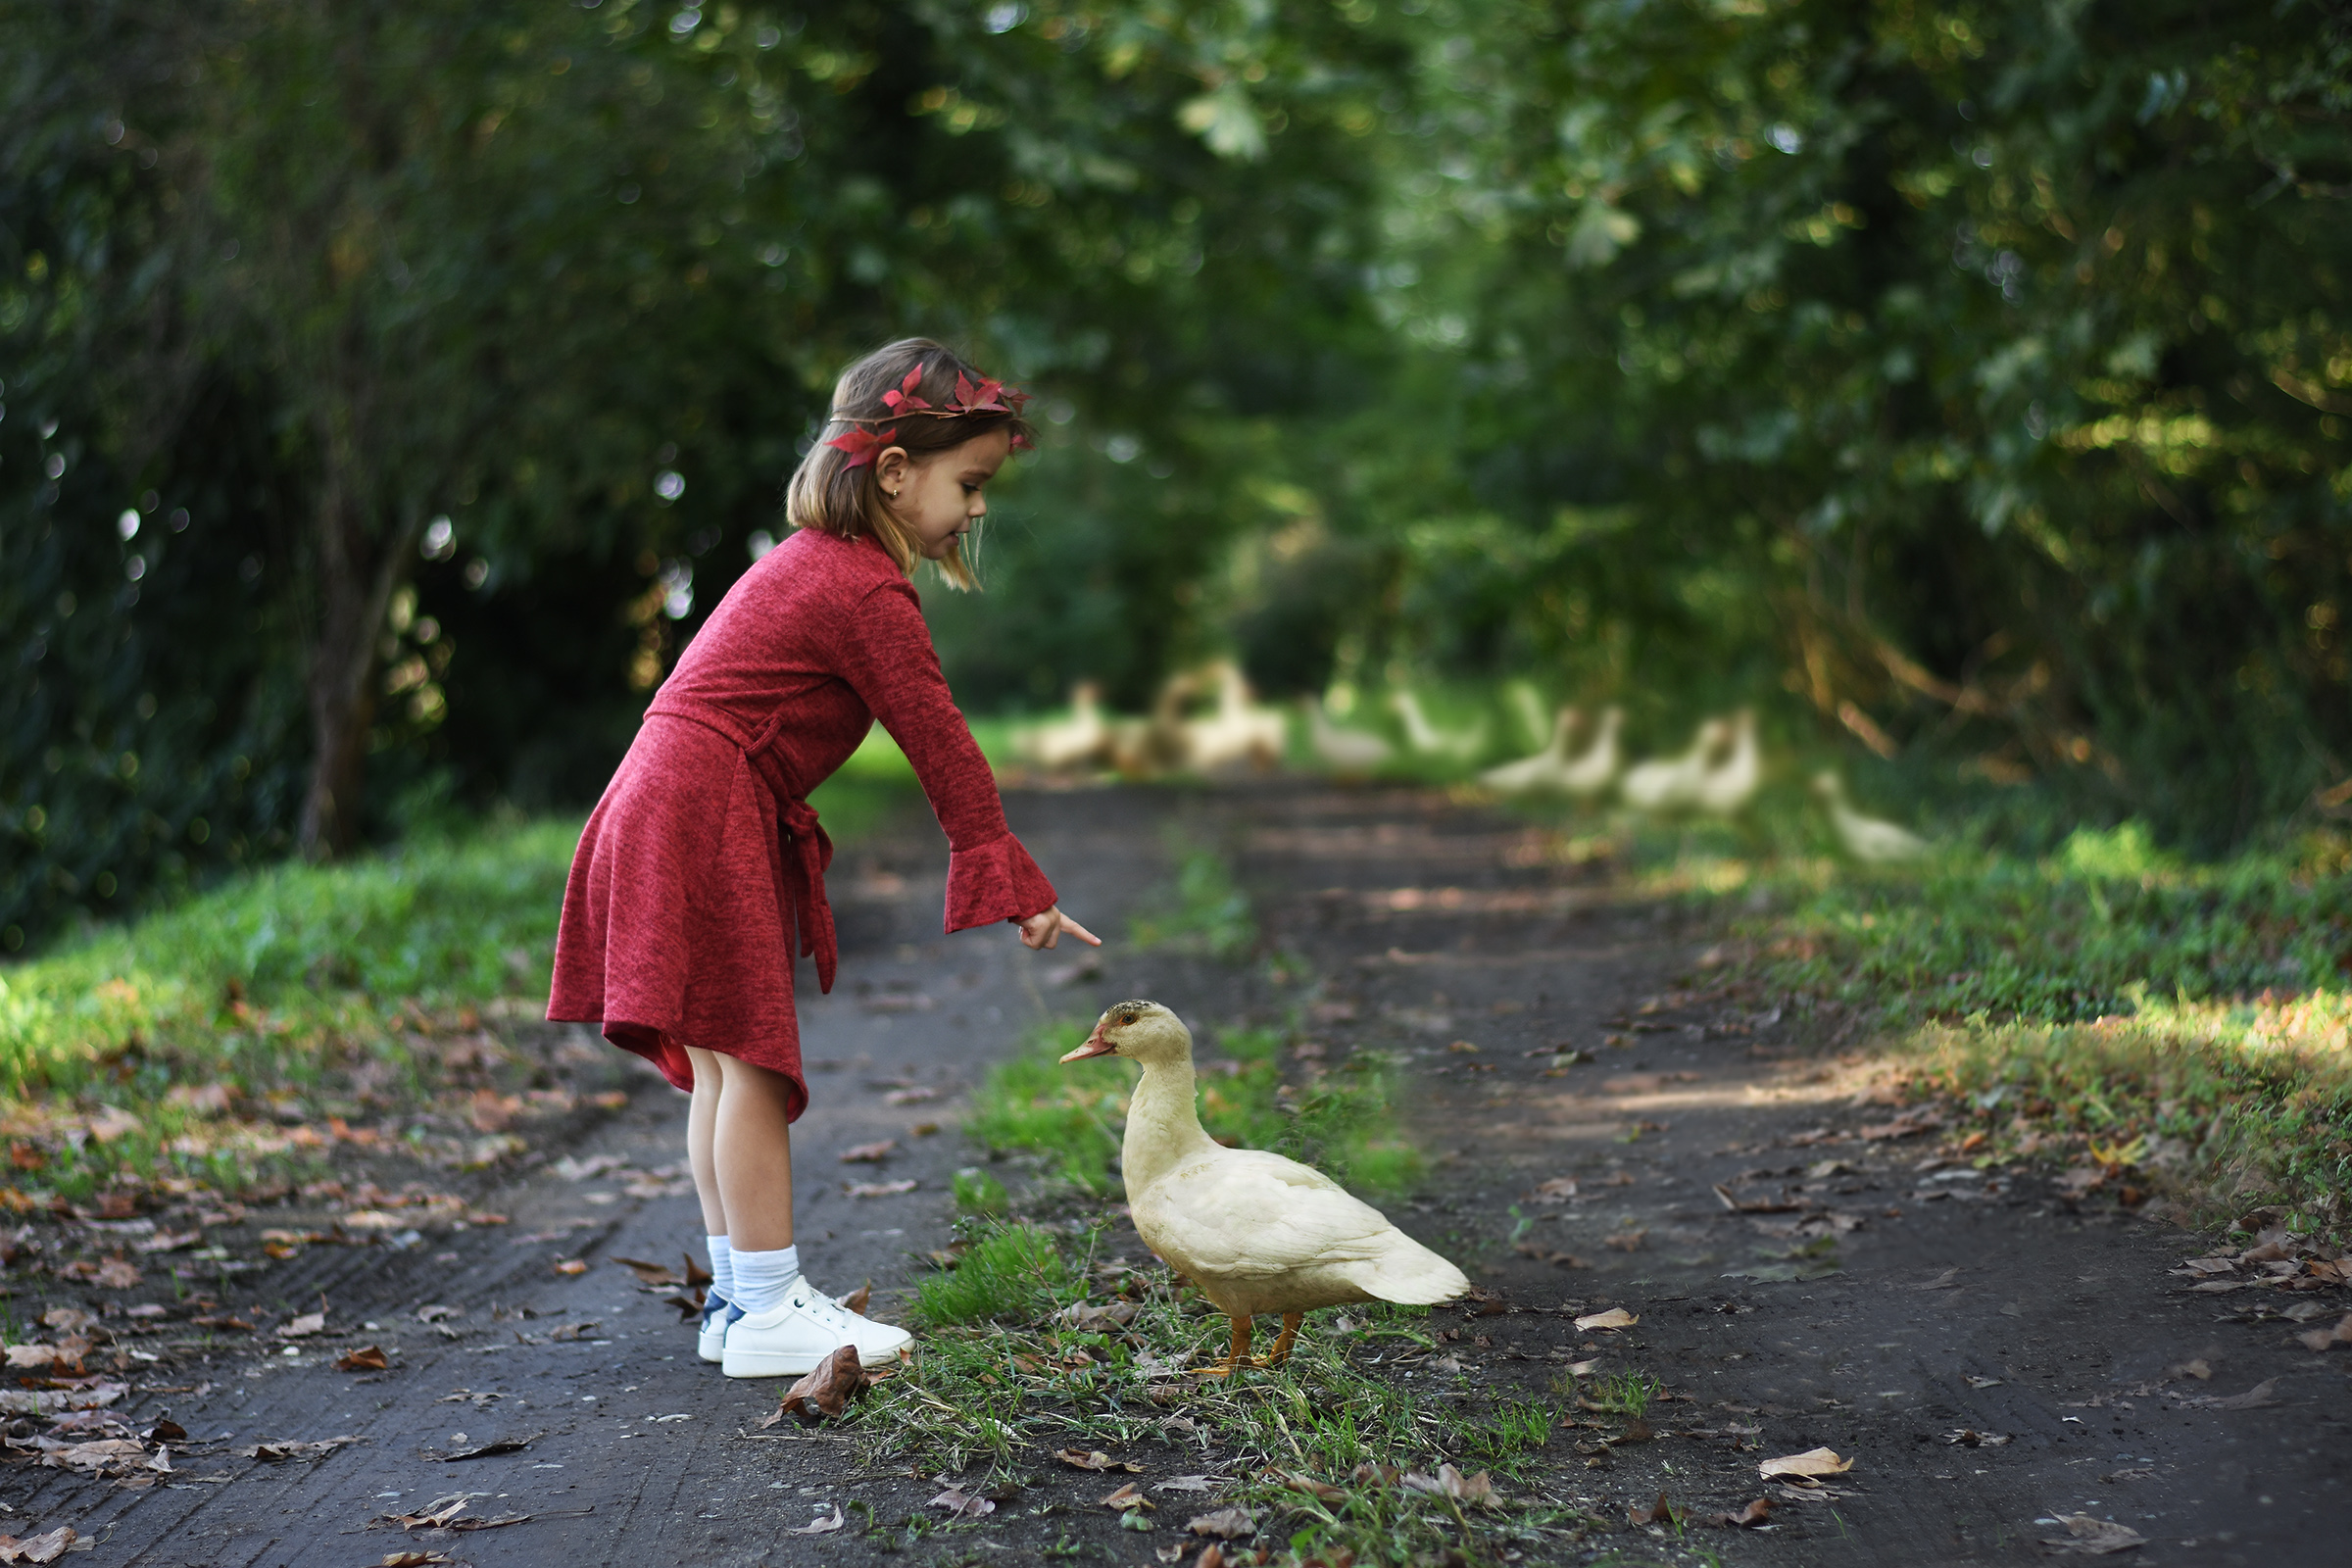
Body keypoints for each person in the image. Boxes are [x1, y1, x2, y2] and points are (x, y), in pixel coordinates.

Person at [548, 338, 1100, 1379]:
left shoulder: (815, 567)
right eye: (969, 484)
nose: (978, 509)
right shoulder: (860, 588)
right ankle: (763, 1307)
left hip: (667, 791)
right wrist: (1003, 868)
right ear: (894, 472)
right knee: (747, 1055)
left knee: (721, 1060)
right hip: (703, 803)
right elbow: (938, 737)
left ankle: (735, 1299)